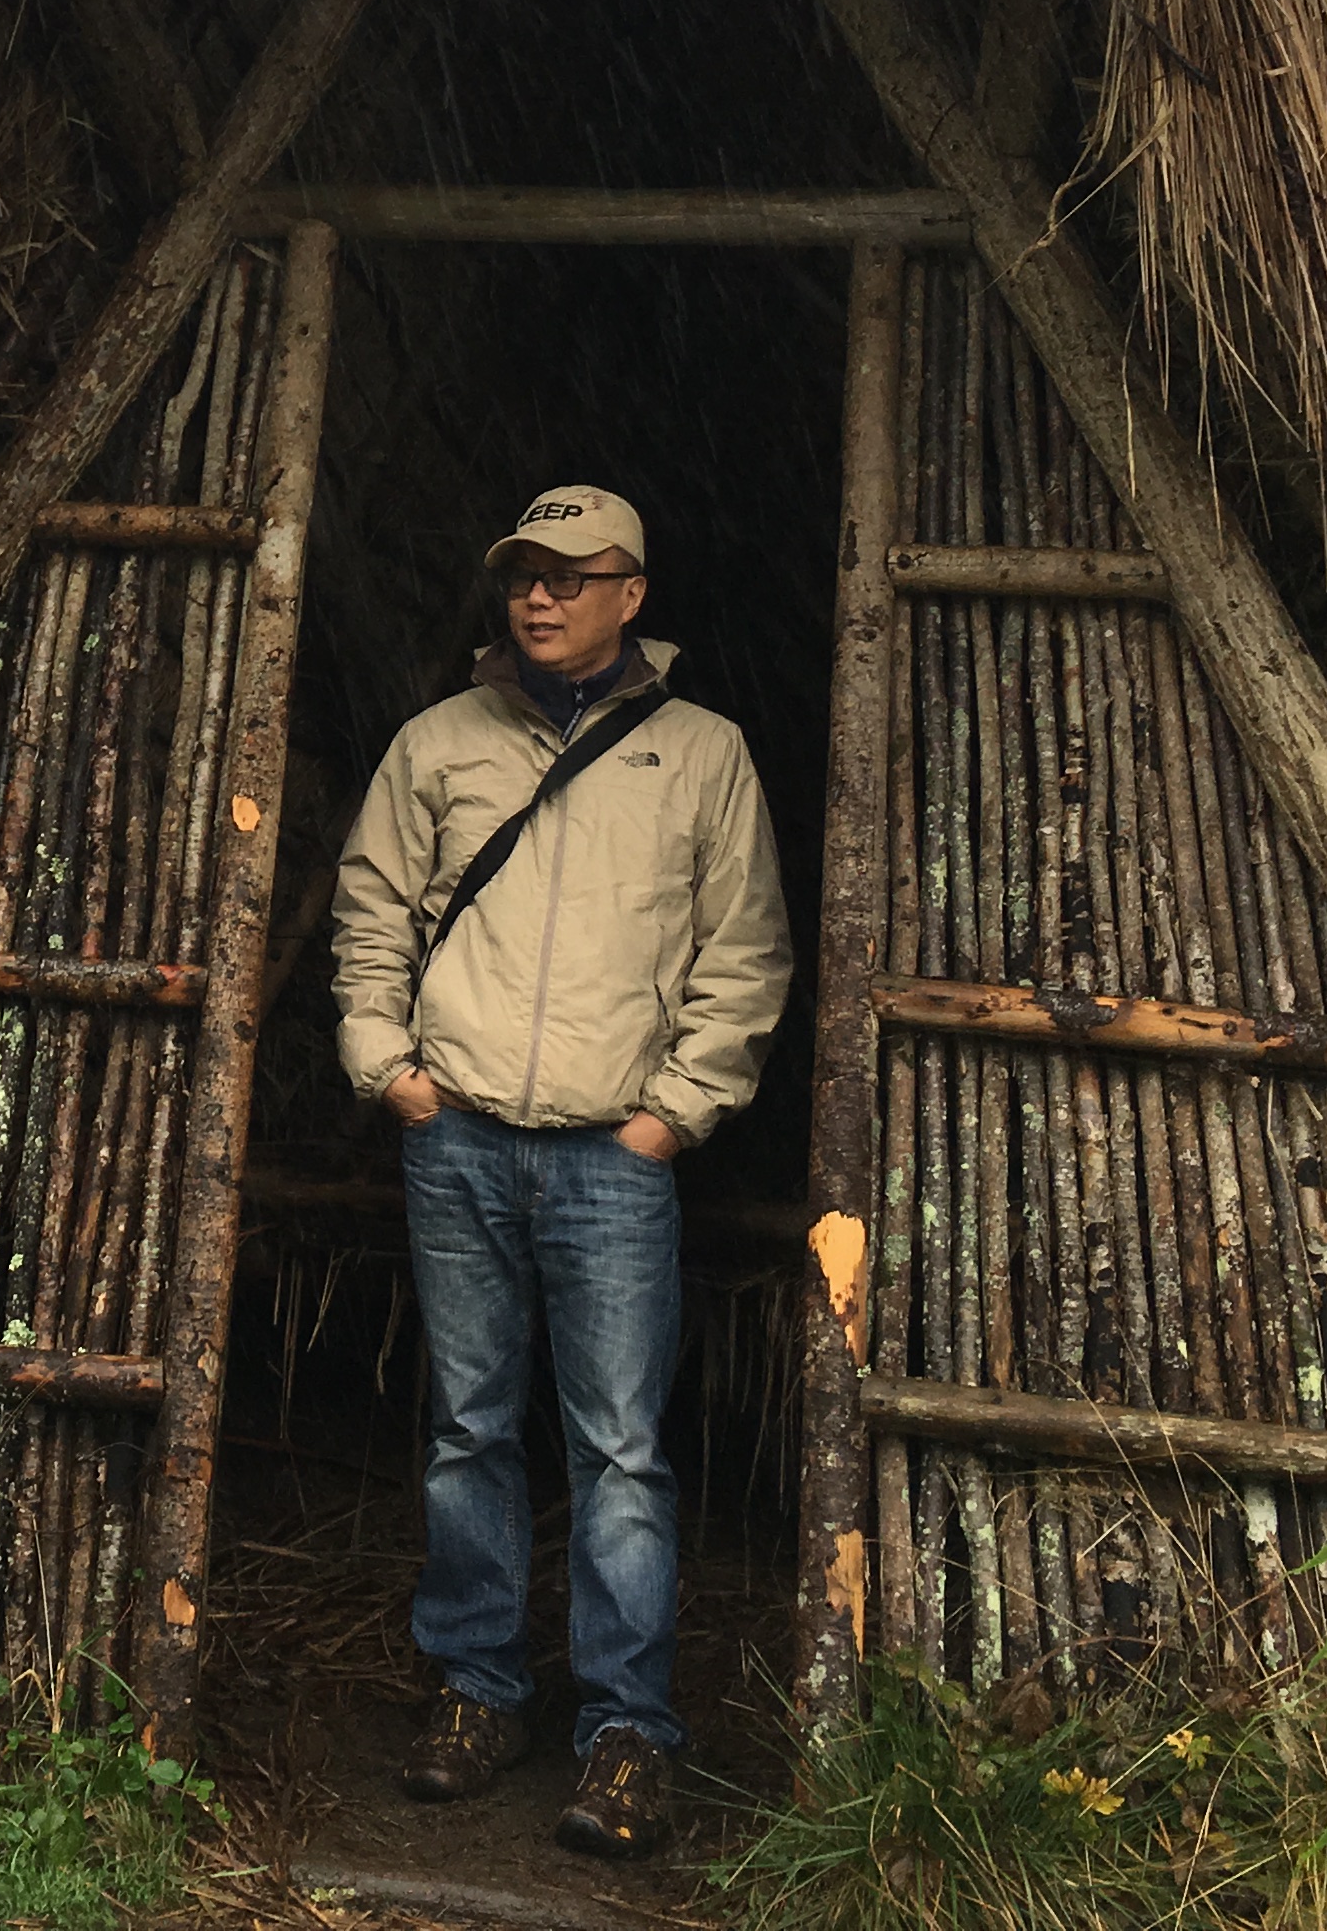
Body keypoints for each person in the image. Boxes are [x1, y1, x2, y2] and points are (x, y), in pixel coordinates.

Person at [326, 484, 794, 1860]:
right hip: (457, 1135)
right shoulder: (440, 743)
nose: (539, 597)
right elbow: (372, 914)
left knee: (623, 1451)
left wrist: (673, 1117)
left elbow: (743, 951)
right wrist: (386, 1066)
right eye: (523, 575)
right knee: (470, 1428)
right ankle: (478, 1692)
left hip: (611, 1157)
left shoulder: (703, 755)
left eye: (571, 576)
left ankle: (625, 1731)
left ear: (631, 592)